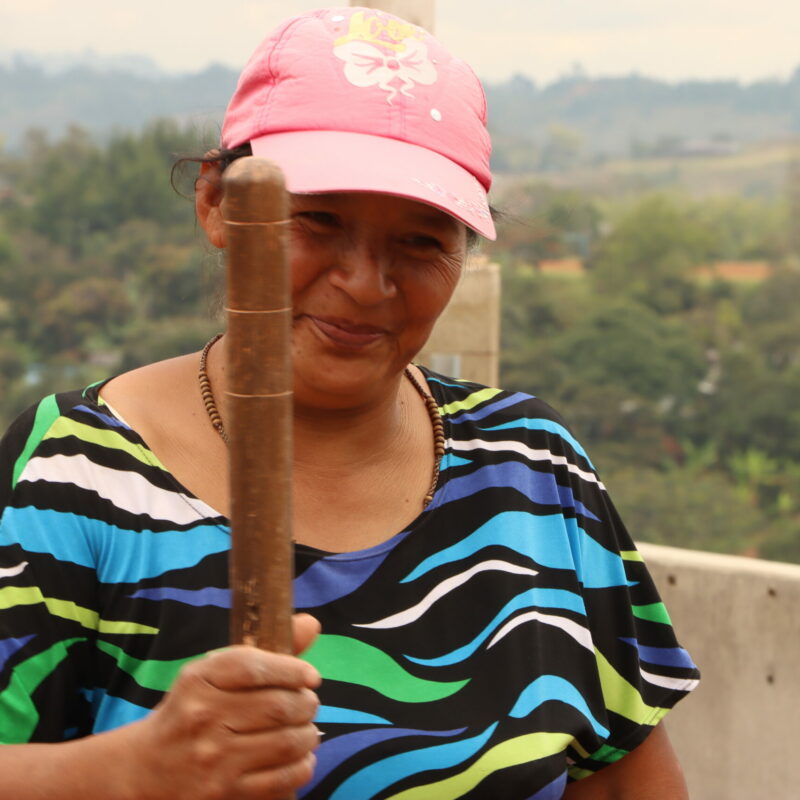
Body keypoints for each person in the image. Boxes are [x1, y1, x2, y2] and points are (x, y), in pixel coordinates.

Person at [0, 7, 699, 799]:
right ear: (216, 204)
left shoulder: (530, 466)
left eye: (422, 239)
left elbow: (619, 780)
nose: (366, 283)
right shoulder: (81, 474)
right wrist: (135, 769)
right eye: (320, 220)